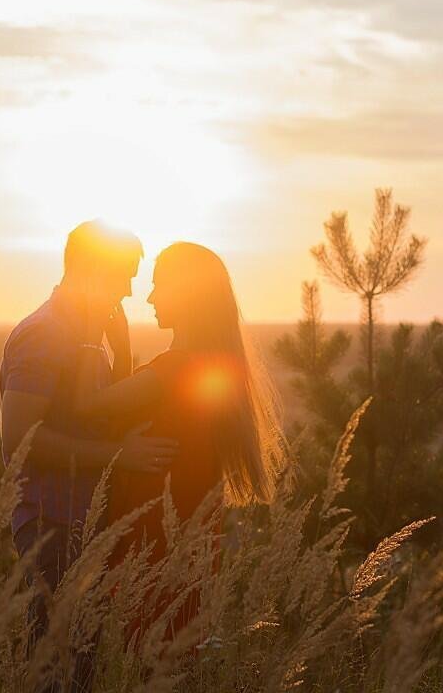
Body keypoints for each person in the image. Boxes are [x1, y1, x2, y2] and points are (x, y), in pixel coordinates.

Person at [72, 241, 286, 645]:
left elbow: (88, 405)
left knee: (143, 653)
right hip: (190, 535)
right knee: (173, 653)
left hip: (157, 540)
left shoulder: (175, 367)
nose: (150, 297)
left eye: (158, 285)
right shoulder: (207, 362)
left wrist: (89, 331)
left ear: (186, 296)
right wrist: (122, 349)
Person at [0, 220, 180, 693]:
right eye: (122, 277)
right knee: (56, 671)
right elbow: (19, 440)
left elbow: (97, 416)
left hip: (83, 525)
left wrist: (120, 351)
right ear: (90, 270)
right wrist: (119, 457)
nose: (127, 291)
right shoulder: (45, 333)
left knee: (80, 670)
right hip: (51, 526)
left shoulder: (87, 332)